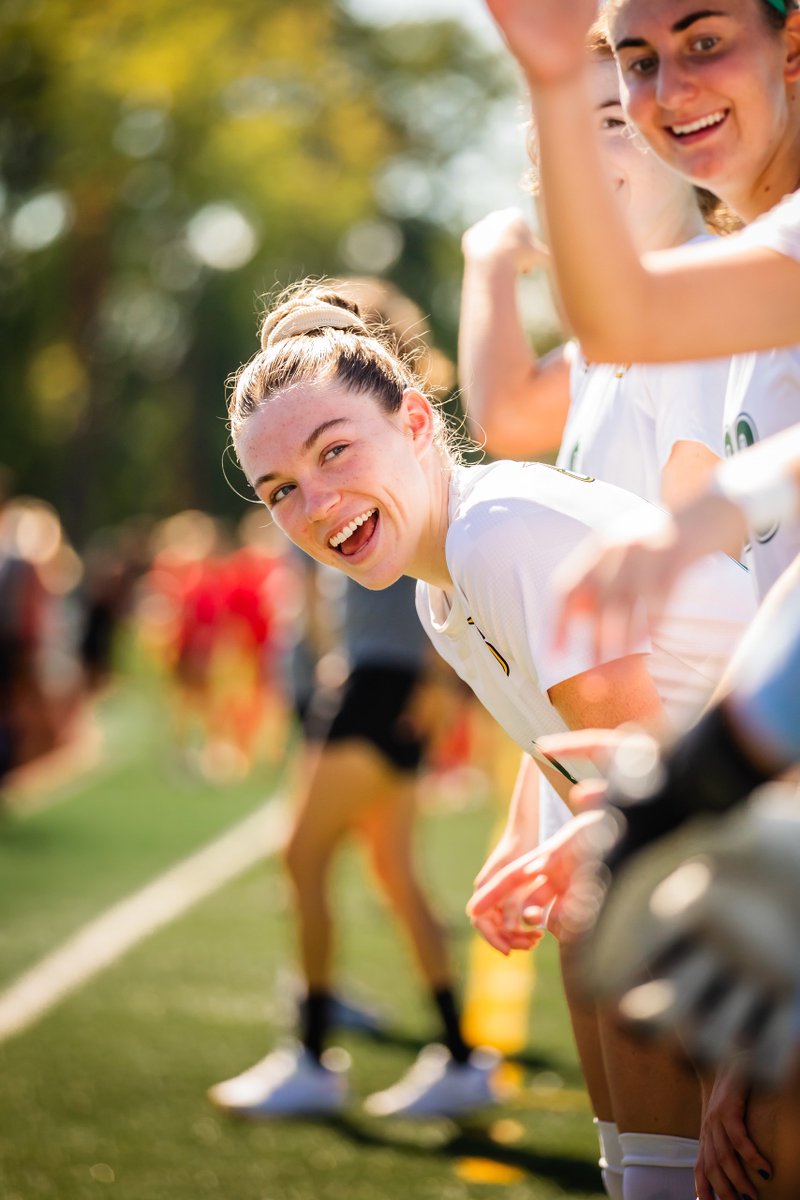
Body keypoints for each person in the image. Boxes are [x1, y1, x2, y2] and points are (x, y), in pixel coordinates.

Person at [226, 282, 756, 1198]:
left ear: (419, 421)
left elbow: (662, 814)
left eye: (336, 450)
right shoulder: (440, 586)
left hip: (759, 888)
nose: (315, 505)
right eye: (281, 491)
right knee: (632, 1148)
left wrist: (737, 1060)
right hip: (723, 867)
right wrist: (531, 835)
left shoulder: (494, 536)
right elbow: (601, 767)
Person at [459, 29, 728, 509]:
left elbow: (702, 560)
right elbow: (504, 419)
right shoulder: (617, 326)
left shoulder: (705, 301)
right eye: (564, 133)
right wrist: (489, 258)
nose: (580, 155)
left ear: (685, 134)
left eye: (611, 121)